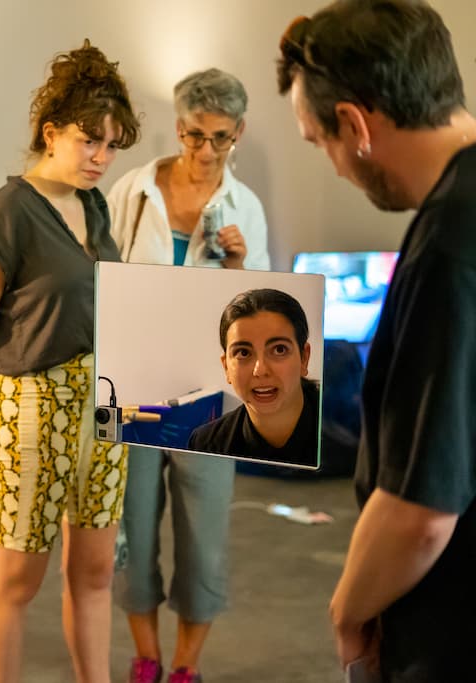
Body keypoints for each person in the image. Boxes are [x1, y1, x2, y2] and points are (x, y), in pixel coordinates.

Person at [277, 1, 476, 679]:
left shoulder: (450, 247)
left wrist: (349, 612)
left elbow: (420, 509)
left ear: (355, 125)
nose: (332, 166)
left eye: (318, 142)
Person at [0, 40, 140, 683]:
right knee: (17, 576)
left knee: (93, 572)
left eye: (114, 145)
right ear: (51, 131)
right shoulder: (8, 212)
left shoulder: (93, 207)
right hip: (36, 407)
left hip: (109, 406)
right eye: (90, 141)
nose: (102, 158)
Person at [106, 68, 270, 683]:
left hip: (211, 392)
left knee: (205, 535)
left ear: (239, 133)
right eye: (195, 136)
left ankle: (184, 667)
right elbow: (102, 276)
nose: (205, 151)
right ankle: (146, 658)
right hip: (132, 383)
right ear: (178, 127)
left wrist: (239, 262)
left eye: (220, 139)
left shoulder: (244, 208)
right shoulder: (133, 190)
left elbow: (266, 310)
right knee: (130, 527)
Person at [188, 289, 319, 469]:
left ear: (304, 358)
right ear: (226, 366)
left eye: (279, 350)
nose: (260, 370)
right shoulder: (207, 445)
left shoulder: (343, 440)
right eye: (243, 352)